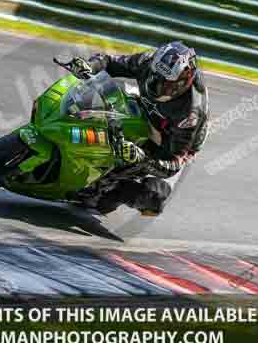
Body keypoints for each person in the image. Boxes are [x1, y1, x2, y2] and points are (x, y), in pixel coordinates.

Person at [67, 41, 209, 216]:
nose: (156, 86)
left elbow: (174, 161)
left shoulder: (190, 113)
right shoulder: (148, 60)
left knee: (154, 195)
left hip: (168, 140)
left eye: (166, 84)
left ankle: (106, 191)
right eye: (155, 77)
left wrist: (142, 159)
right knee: (103, 94)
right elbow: (109, 62)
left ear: (182, 83)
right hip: (144, 107)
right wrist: (90, 65)